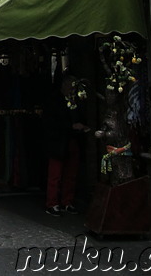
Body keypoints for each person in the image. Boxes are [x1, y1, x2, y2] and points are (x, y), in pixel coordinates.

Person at [44, 74, 89, 216]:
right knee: (55, 174)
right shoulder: (55, 101)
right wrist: (71, 126)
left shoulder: (75, 101)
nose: (72, 89)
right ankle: (52, 203)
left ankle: (67, 201)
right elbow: (52, 121)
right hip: (58, 141)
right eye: (70, 86)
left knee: (71, 173)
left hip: (72, 140)